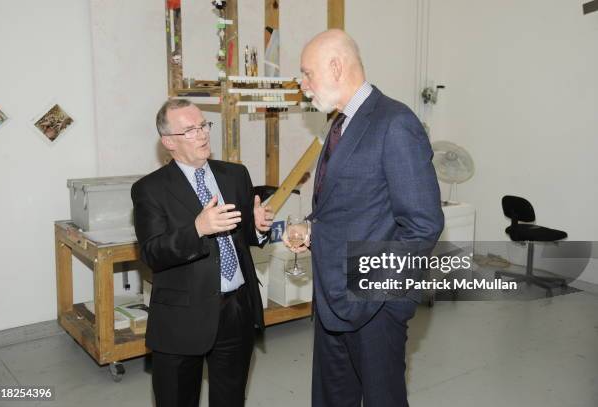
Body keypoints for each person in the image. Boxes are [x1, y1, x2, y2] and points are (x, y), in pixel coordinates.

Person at [286, 29, 445, 407]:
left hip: (374, 305)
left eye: (308, 73)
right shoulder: (339, 124)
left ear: (337, 66)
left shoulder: (395, 123)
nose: (303, 85)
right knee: (332, 397)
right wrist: (311, 228)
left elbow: (423, 224)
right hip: (332, 296)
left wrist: (367, 292)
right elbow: (352, 206)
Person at [131, 99, 273, 407]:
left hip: (236, 308)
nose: (202, 135)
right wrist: (197, 228)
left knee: (231, 398)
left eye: (204, 126)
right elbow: (152, 253)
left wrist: (259, 227)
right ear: (168, 141)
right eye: (190, 130)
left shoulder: (235, 175)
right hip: (182, 315)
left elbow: (243, 233)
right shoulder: (150, 189)